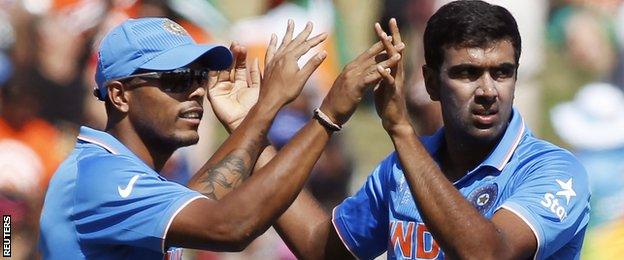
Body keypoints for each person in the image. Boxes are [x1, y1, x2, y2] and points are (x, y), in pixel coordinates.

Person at [218, 1, 589, 259]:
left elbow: (488, 254)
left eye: (502, 72)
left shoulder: (552, 171)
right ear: (430, 83)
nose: (488, 91)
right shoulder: (402, 168)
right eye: (467, 73)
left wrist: (401, 130)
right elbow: (321, 248)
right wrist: (248, 135)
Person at [38, 17, 402, 259]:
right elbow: (232, 225)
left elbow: (313, 243)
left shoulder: (133, 179)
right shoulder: (101, 178)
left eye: (199, 78)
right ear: (119, 95)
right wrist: (324, 114)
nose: (196, 93)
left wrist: (247, 122)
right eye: (178, 80)